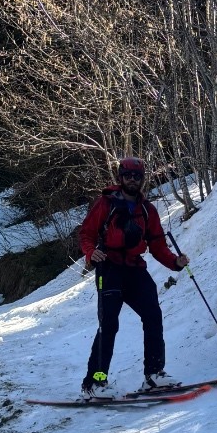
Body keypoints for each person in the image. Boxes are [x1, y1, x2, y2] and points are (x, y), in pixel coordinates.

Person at [79, 156, 189, 397]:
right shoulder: (105, 204)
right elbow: (86, 234)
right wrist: (91, 252)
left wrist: (175, 262)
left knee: (153, 315)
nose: (132, 179)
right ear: (120, 177)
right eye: (128, 175)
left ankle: (154, 375)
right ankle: (95, 382)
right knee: (108, 324)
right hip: (109, 269)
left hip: (135, 268)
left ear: (142, 179)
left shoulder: (147, 210)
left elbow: (158, 245)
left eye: (137, 176)